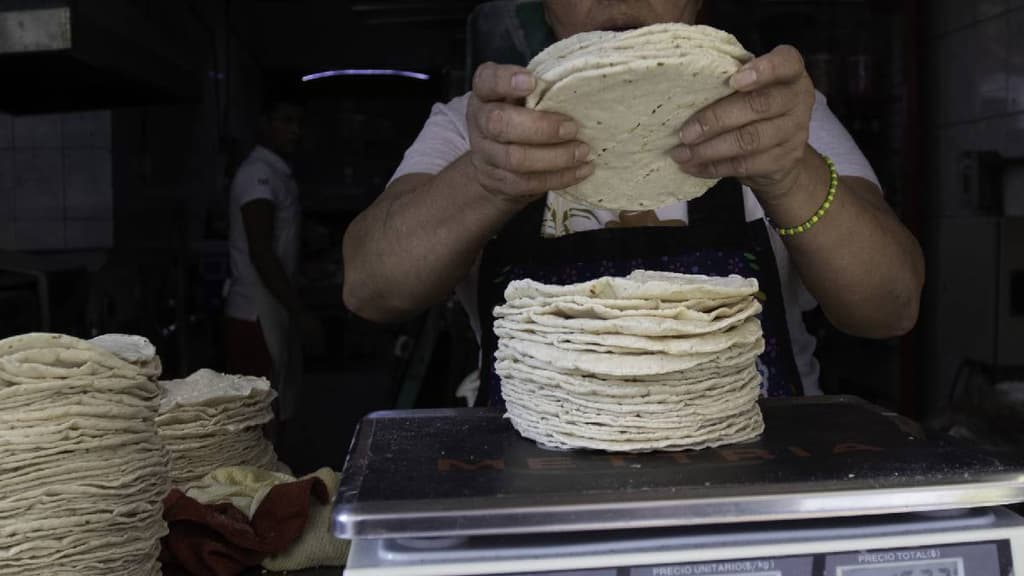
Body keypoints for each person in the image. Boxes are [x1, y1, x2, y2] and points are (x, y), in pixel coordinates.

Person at [342, 0, 925, 404]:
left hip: (756, 473)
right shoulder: (477, 126)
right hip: (528, 473)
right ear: (549, 8)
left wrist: (790, 173)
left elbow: (890, 307)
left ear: (695, 6)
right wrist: (486, 179)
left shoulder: (775, 117)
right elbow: (371, 288)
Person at [225, 89, 320, 422]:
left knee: (277, 410)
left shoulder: (278, 173)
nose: (295, 130)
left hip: (272, 309)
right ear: (264, 124)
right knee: (260, 418)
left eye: (299, 123)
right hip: (254, 314)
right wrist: (300, 312)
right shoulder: (257, 174)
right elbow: (261, 251)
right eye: (286, 121)